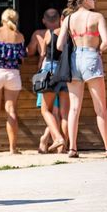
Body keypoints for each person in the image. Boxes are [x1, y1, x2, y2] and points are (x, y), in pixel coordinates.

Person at [57, 0, 107, 159]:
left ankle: (72, 148)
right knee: (100, 108)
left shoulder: (68, 19)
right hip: (91, 56)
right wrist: (99, 50)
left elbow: (59, 45)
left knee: (74, 108)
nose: (94, 0)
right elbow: (106, 42)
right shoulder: (97, 17)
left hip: (74, 59)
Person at [0, 8, 26, 156]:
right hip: (12, 74)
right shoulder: (19, 36)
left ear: (2, 19)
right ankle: (13, 149)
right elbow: (22, 58)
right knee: (11, 111)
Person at [35, 9, 67, 154]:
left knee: (48, 110)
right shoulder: (69, 33)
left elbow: (42, 54)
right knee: (62, 113)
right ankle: (63, 146)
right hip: (65, 71)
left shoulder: (47, 33)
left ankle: (53, 139)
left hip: (48, 72)